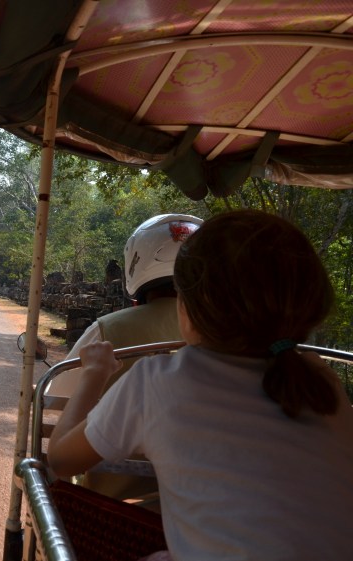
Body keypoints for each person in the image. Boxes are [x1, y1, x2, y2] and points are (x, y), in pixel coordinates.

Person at [47, 210, 353, 560]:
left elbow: (61, 460)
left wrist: (94, 373)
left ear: (190, 308)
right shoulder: (323, 381)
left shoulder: (158, 378)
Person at [46, 214, 202, 501]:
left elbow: (58, 400)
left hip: (116, 510)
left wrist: (94, 376)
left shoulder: (109, 330)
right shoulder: (238, 353)